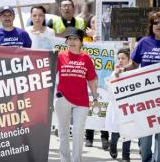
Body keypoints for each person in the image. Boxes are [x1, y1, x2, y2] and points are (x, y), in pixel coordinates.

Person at [116, 11, 160, 162]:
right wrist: (122, 70)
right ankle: (146, 159)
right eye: (155, 23)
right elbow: (134, 64)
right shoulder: (144, 42)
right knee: (145, 132)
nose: (158, 25)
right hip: (145, 96)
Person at [55, 27, 98, 162]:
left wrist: (95, 97)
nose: (72, 42)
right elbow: (48, 73)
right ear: (66, 41)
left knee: (78, 132)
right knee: (63, 133)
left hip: (81, 100)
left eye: (75, 39)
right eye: (69, 39)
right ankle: (64, 160)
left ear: (81, 42)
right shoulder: (59, 56)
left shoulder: (86, 58)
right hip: (63, 98)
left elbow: (91, 79)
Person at [83, 15, 109, 149]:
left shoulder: (107, 38)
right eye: (93, 22)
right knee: (89, 107)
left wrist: (97, 38)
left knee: (104, 107)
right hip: (89, 78)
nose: (95, 24)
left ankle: (105, 137)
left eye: (98, 22)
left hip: (103, 79)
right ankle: (89, 137)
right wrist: (92, 39)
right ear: (89, 24)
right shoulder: (84, 40)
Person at [105, 48, 132, 162]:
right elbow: (110, 90)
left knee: (128, 131)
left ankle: (126, 155)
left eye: (123, 58)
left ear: (129, 60)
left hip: (129, 106)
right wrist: (116, 76)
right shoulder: (114, 73)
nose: (120, 60)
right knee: (116, 131)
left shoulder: (133, 72)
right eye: (119, 58)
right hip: (116, 106)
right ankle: (113, 145)